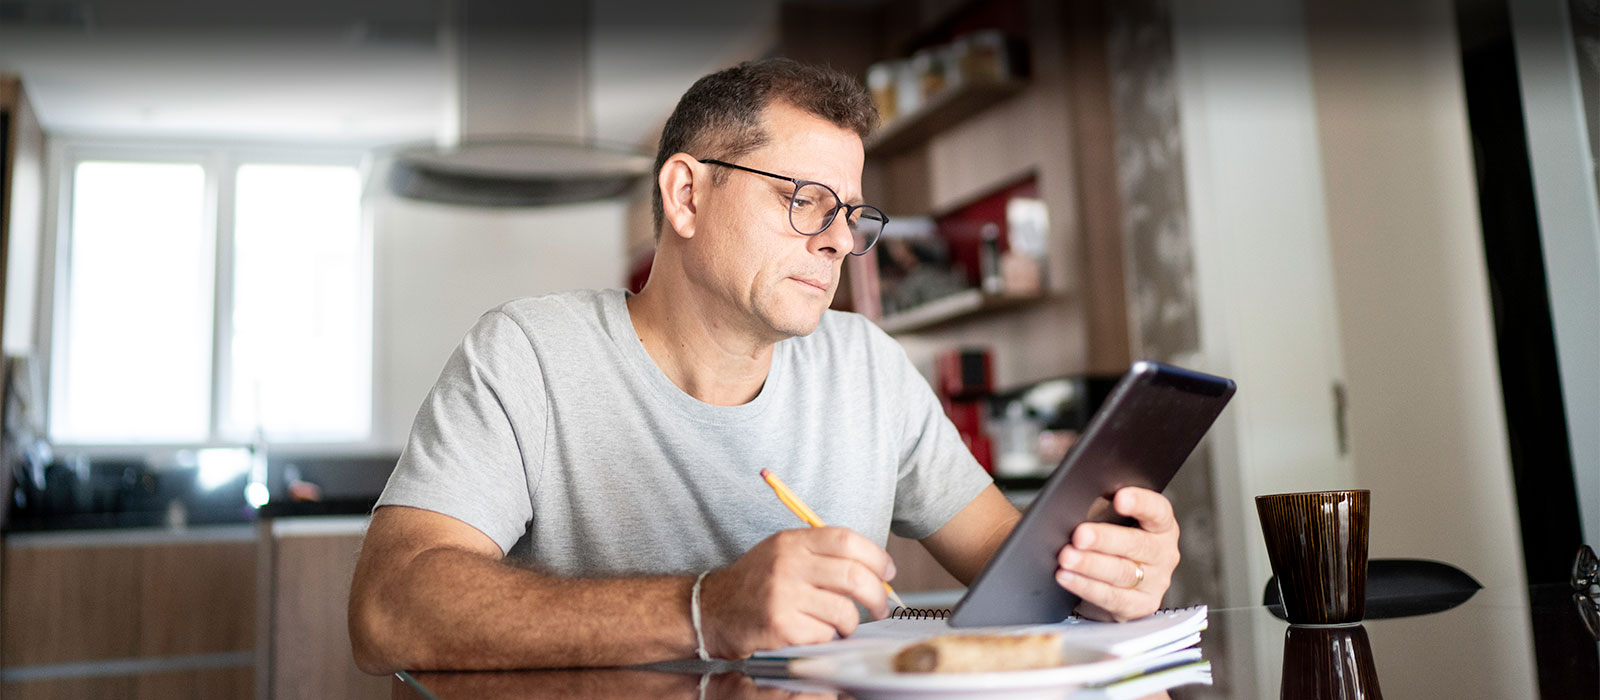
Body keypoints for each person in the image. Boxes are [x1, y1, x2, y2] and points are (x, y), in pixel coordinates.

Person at [348, 58, 1181, 673]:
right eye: (805, 199)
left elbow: (1017, 567)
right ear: (686, 196)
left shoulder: (868, 368)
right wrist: (705, 607)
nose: (838, 240)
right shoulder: (528, 355)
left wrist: (1104, 570)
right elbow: (389, 609)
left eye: (853, 213)